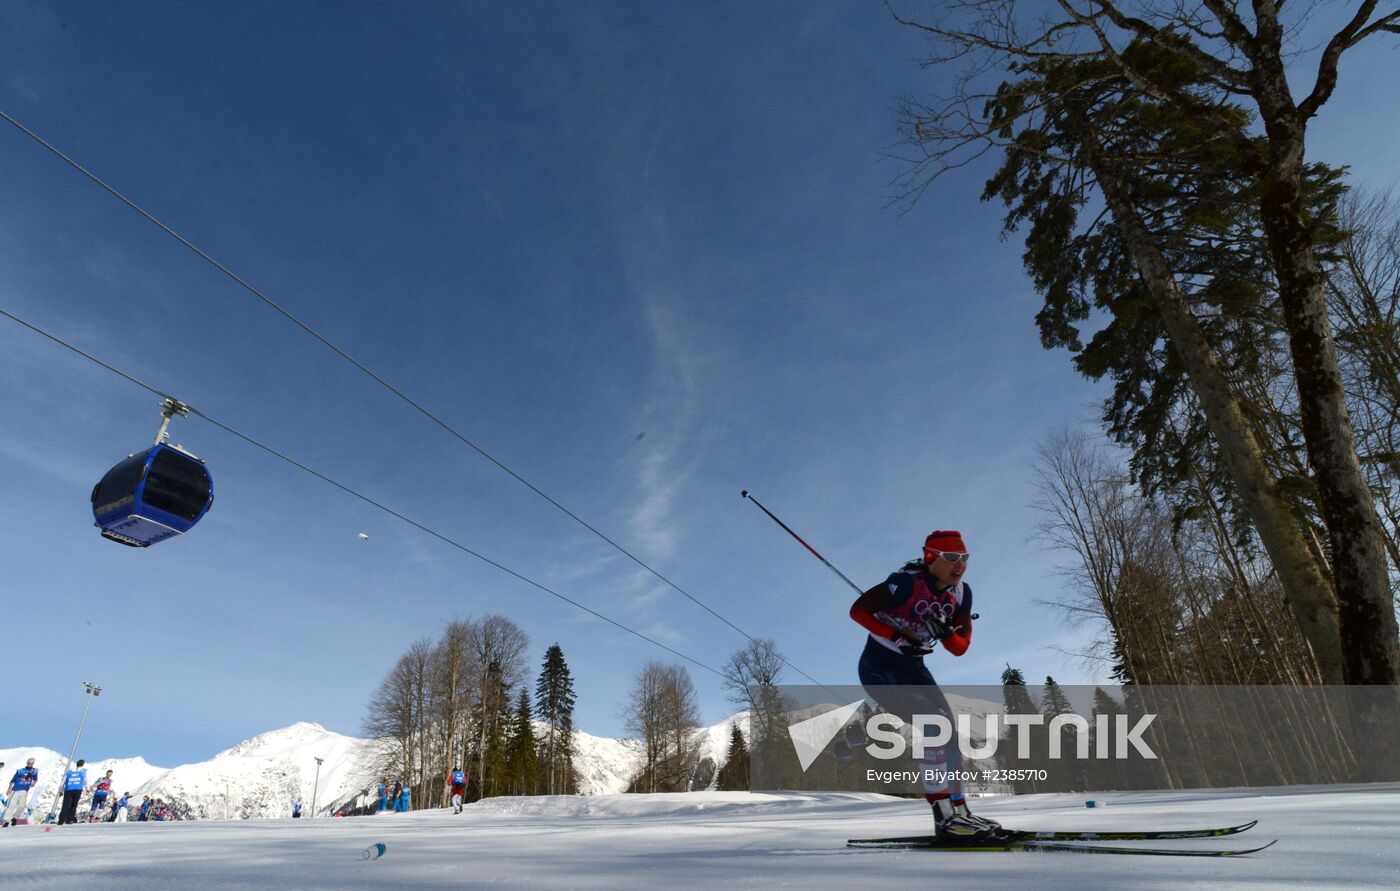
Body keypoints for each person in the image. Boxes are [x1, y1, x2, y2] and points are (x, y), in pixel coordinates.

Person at [849, 530, 1006, 844]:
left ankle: (960, 811)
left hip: (914, 668)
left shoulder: (962, 593)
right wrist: (894, 636)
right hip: (880, 669)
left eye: (964, 558)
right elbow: (858, 610)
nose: (959, 565)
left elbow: (960, 647)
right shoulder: (905, 584)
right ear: (931, 557)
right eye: (951, 558)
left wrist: (946, 633)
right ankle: (942, 816)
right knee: (932, 724)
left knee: (951, 732)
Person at [3, 758, 38, 827]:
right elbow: (12, 780)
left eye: (31, 763)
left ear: (33, 764)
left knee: (21, 806)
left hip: (24, 791)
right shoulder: (20, 771)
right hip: (15, 790)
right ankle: (7, 821)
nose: (30, 764)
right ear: (26, 762)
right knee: (11, 806)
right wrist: (9, 789)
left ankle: (15, 818)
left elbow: (35, 779)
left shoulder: (34, 771)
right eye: (29, 762)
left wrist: (34, 783)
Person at [58, 760, 88, 826]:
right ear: (82, 765)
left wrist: (61, 791)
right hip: (77, 789)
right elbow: (86, 782)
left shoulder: (69, 772)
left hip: (68, 789)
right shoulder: (83, 772)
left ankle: (61, 820)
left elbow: (63, 782)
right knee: (74, 805)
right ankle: (69, 820)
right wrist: (87, 789)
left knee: (65, 805)